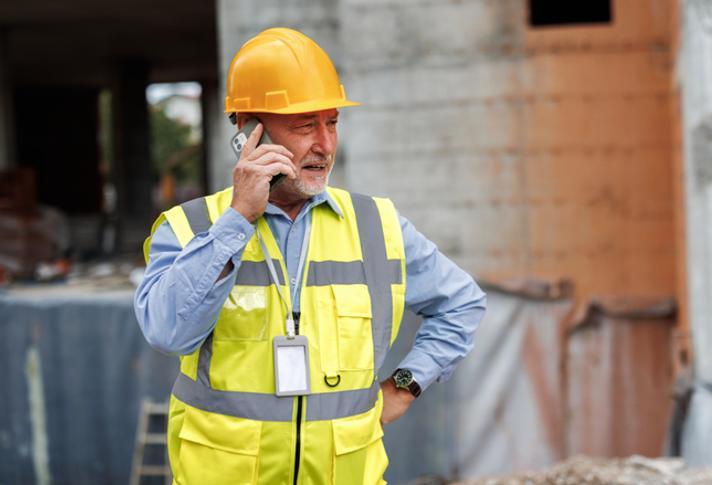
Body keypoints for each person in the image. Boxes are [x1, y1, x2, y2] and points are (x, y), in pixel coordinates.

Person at [134, 27, 485, 485]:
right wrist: (237, 220)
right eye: (305, 126)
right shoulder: (190, 227)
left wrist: (406, 385)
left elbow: (461, 303)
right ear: (247, 134)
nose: (324, 144)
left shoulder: (377, 225)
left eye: (332, 122)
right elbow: (166, 331)